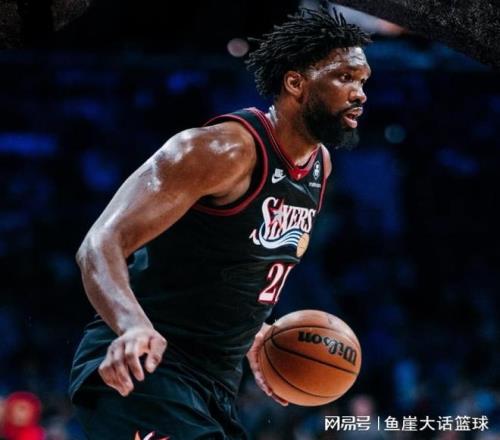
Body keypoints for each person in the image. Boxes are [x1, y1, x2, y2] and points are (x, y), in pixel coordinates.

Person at [69, 4, 372, 439]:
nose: (360, 94)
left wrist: (251, 332)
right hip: (143, 371)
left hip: (213, 382)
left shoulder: (319, 167)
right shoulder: (219, 151)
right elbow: (100, 244)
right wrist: (132, 326)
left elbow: (231, 263)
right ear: (296, 83)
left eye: (362, 81)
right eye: (345, 77)